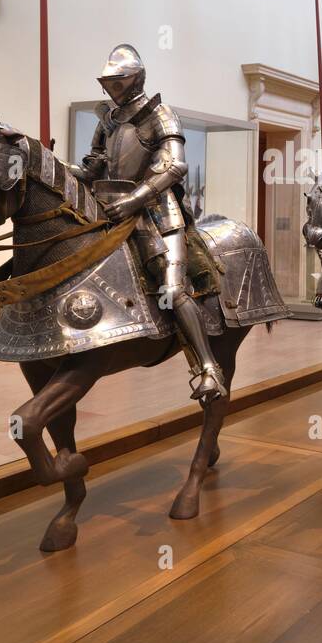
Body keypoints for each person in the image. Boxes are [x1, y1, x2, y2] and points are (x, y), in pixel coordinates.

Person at [78, 44, 226, 403]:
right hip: (107, 211)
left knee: (173, 289)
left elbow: (175, 166)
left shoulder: (160, 114)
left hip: (155, 213)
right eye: (108, 82)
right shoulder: (107, 122)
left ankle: (208, 369)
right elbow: (91, 168)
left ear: (136, 79)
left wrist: (135, 199)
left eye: (119, 80)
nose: (113, 88)